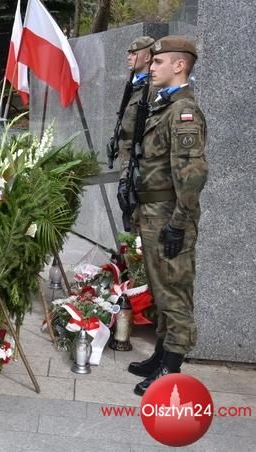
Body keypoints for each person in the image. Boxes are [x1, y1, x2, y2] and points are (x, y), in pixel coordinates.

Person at [127, 36, 208, 396]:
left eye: (159, 62)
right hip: (153, 213)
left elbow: (191, 175)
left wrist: (179, 223)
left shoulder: (183, 112)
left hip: (171, 217)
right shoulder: (164, 107)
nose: (152, 67)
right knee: (161, 290)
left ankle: (171, 370)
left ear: (179, 66)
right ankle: (161, 354)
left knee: (174, 293)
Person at [112, 36, 156, 231]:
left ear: (148, 57)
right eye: (129, 53)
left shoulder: (152, 90)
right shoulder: (136, 86)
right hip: (127, 165)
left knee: (140, 228)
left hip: (140, 169)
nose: (129, 57)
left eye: (134, 53)